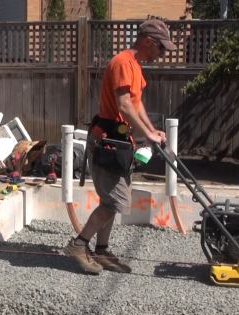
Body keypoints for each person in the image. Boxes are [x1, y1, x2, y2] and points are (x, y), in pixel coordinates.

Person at [64, 19, 173, 274]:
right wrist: (147, 134)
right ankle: (78, 245)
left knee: (110, 199)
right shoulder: (123, 62)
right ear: (148, 41)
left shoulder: (135, 66)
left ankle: (101, 251)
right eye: (161, 48)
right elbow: (123, 105)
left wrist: (150, 131)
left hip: (121, 142)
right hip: (108, 141)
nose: (162, 54)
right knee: (115, 202)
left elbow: (136, 105)